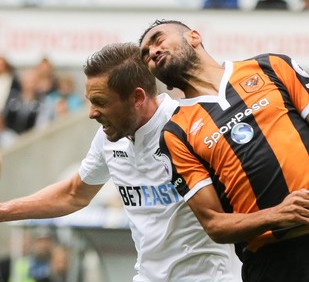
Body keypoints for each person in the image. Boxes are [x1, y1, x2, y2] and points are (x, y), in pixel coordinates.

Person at [0, 43, 242, 282]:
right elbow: (74, 194)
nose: (91, 112)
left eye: (100, 102)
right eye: (90, 101)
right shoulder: (109, 138)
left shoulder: (193, 126)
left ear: (137, 97)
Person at [139, 19, 309, 282]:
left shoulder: (270, 67)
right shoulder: (176, 133)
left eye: (158, 40)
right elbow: (214, 224)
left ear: (194, 37)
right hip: (274, 262)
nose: (152, 52)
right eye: (146, 55)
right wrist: (278, 214)